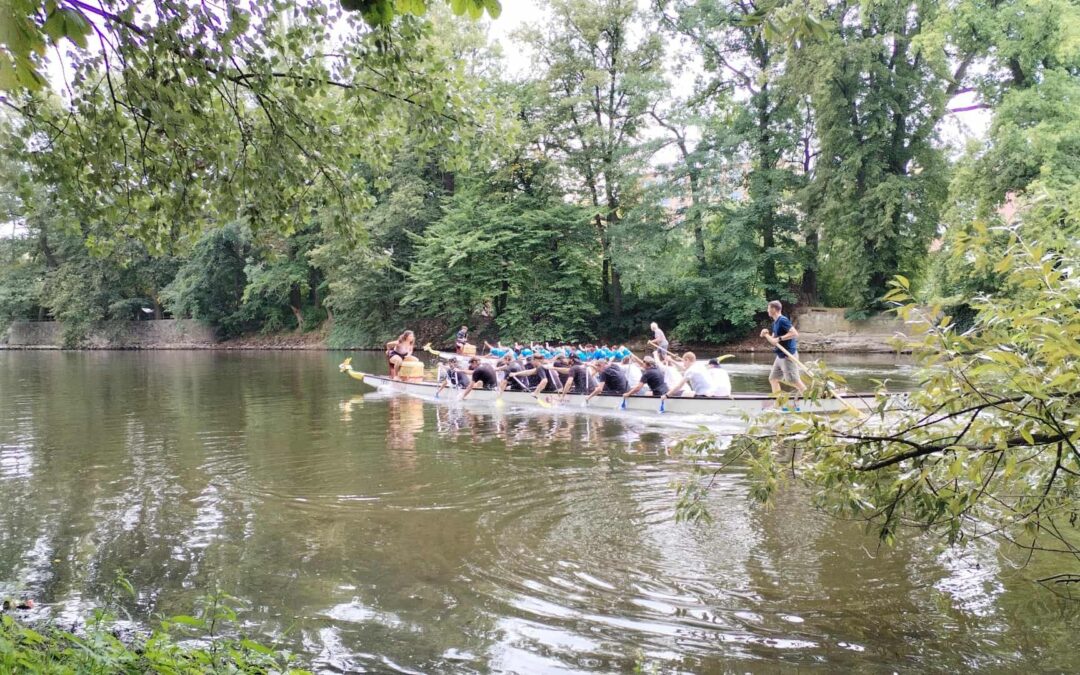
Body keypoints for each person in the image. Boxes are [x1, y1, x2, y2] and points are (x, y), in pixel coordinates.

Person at [760, 300, 805, 396]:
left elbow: (794, 333)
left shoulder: (782, 320)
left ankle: (809, 399)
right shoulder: (775, 323)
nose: (767, 310)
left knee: (794, 381)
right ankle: (778, 403)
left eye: (768, 308)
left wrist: (780, 338)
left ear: (773, 309)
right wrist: (766, 334)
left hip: (788, 355)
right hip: (780, 356)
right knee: (773, 379)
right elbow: (773, 341)